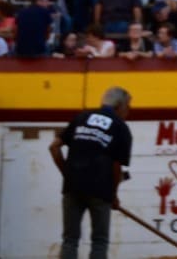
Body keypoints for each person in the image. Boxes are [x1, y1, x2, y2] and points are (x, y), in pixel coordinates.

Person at [51, 86, 133, 259]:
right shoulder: (120, 127)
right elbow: (116, 167)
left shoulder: (82, 117)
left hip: (73, 187)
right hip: (100, 189)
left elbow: (54, 147)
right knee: (99, 241)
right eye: (128, 106)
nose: (129, 111)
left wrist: (67, 174)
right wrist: (114, 195)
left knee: (70, 240)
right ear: (120, 106)